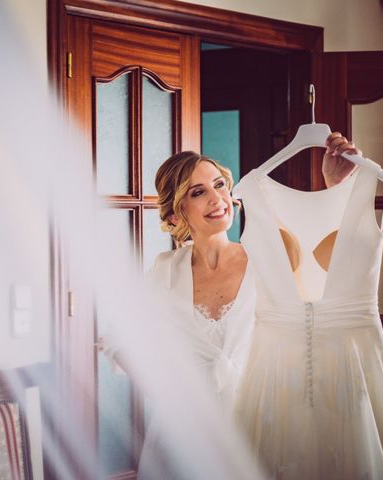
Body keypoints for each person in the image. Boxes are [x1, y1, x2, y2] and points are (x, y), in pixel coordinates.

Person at [104, 132, 361, 478]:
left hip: (258, 430)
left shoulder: (267, 259)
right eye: (198, 192)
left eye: (220, 184)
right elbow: (116, 338)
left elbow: (330, 273)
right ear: (177, 215)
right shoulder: (165, 270)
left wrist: (334, 186)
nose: (217, 198)